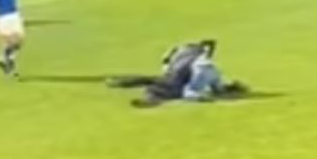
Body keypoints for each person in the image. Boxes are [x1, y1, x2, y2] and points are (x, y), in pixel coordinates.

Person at [107, 40, 249, 108]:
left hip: (176, 79)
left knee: (154, 86)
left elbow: (168, 62)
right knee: (155, 85)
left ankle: (147, 99)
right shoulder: (198, 58)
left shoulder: (184, 53)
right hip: (179, 79)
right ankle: (140, 94)